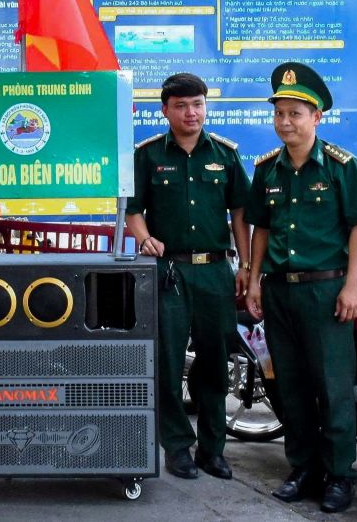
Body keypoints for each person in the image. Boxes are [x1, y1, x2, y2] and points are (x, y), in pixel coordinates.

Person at [244, 62, 357, 514]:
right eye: (279, 113)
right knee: (291, 388)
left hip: (326, 292)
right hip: (280, 292)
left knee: (333, 388)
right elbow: (261, 227)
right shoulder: (267, 171)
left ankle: (340, 475)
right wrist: (256, 279)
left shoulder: (341, 167)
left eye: (295, 113)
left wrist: (352, 285)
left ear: (316, 117)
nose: (285, 122)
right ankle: (303, 468)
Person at [126, 73, 251, 480]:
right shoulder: (146, 155)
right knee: (167, 360)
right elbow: (132, 211)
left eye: (196, 104)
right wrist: (144, 239)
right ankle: (177, 446)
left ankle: (213, 449)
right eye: (180, 106)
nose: (190, 113)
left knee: (217, 363)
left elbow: (240, 215)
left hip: (216, 271)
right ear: (165, 110)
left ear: (205, 106)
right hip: (170, 273)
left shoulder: (226, 155)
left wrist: (246, 267)